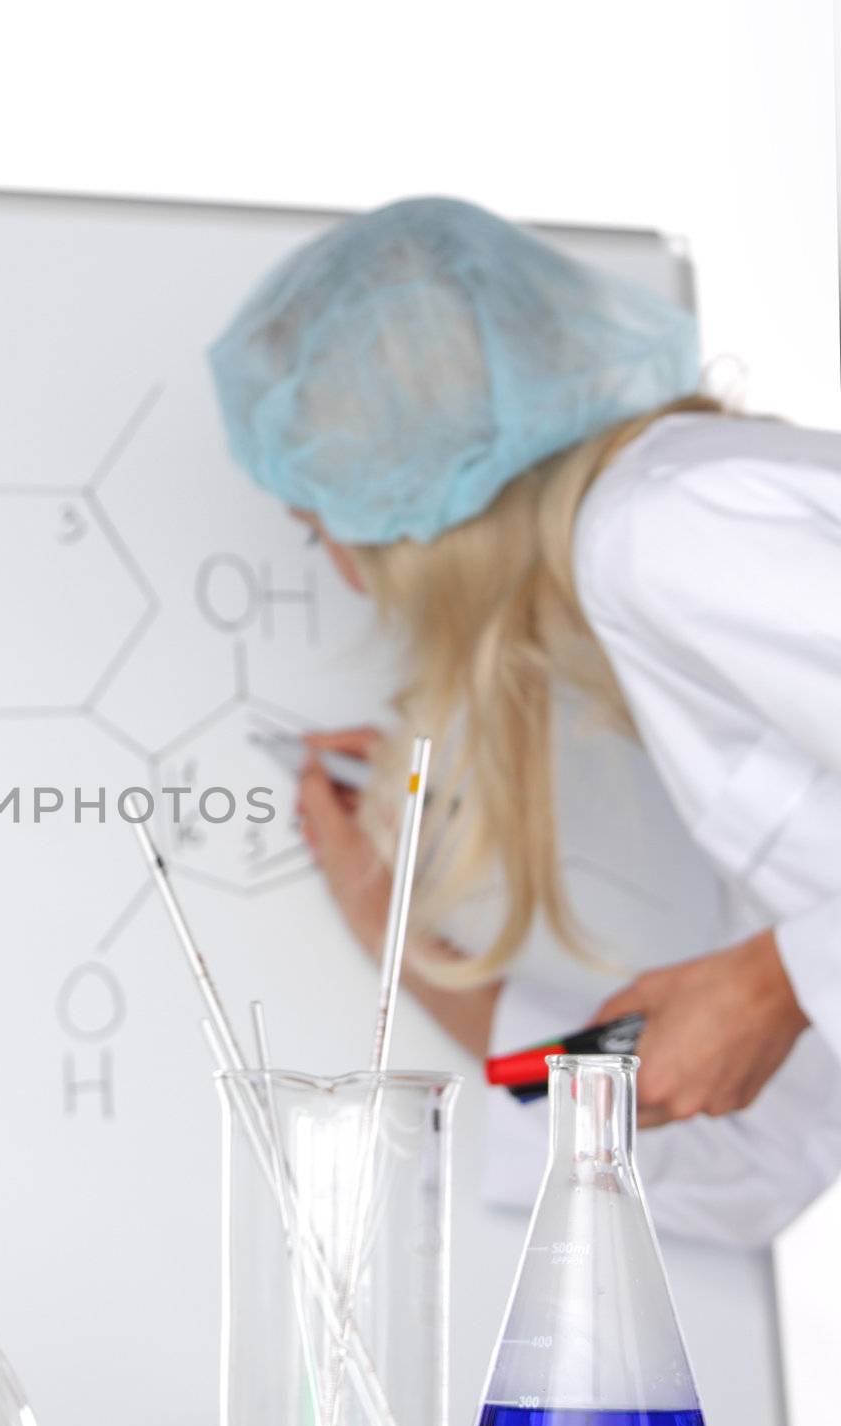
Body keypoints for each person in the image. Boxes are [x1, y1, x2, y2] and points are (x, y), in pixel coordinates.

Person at [209, 196, 841, 1246]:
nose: (343, 573)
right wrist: (398, 934)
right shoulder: (661, 556)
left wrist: (776, 978)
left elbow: (778, 1007)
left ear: (415, 494)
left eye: (318, 522)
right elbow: (757, 1153)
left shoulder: (662, 530)